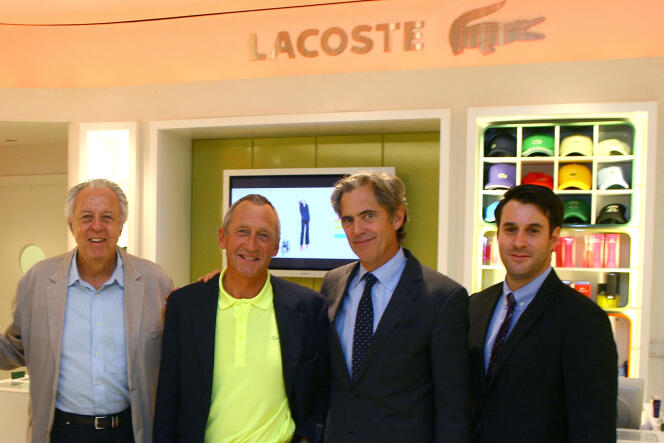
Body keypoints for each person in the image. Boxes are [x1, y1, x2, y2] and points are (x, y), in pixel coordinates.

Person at [0, 179, 174, 442]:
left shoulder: (154, 281)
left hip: (130, 432)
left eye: (107, 217)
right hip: (62, 432)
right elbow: (15, 348)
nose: (97, 226)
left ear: (120, 225)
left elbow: (177, 352)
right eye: (86, 217)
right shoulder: (37, 280)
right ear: (71, 224)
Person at [153, 194, 329, 443]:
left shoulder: (309, 308)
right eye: (242, 232)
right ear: (222, 238)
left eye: (264, 235)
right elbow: (168, 400)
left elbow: (322, 393)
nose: (251, 245)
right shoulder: (184, 306)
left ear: (276, 246)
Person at [321, 171, 470, 442]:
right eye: (348, 220)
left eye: (369, 216)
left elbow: (453, 408)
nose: (357, 230)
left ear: (397, 217)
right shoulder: (332, 283)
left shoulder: (443, 298)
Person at [469, 184, 617, 442]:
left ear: (554, 238)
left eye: (533, 231)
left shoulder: (584, 320)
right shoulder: (473, 306)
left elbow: (594, 427)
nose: (519, 242)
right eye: (510, 229)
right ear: (498, 235)